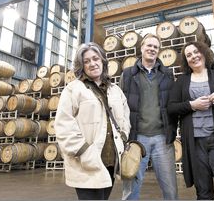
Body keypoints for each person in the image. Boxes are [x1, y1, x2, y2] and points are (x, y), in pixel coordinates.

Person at [167, 41, 214, 200]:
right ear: (186, 60)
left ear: (204, 52)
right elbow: (171, 108)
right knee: (203, 192)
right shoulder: (182, 81)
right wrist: (191, 105)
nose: (193, 56)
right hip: (195, 143)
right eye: (188, 55)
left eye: (196, 52)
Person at [54, 42, 131, 200]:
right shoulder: (74, 89)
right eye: (86, 61)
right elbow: (63, 125)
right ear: (82, 66)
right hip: (85, 162)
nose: (92, 63)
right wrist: (83, 151)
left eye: (95, 58)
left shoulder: (115, 90)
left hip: (110, 161)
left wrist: (123, 138)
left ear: (102, 61)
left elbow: (125, 118)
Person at [119, 33, 178, 200]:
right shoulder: (128, 74)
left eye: (155, 47)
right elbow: (121, 104)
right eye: (149, 45)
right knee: (131, 185)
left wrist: (172, 129)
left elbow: (172, 103)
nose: (152, 49)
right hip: (137, 138)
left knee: (170, 188)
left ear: (158, 51)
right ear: (142, 47)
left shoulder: (167, 74)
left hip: (162, 137)